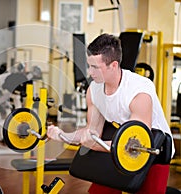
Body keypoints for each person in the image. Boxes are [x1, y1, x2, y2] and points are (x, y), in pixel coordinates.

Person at [47, 33, 175, 194]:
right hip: (119, 146)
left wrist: (92, 143)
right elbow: (92, 131)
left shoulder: (139, 91)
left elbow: (135, 145)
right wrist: (62, 135)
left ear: (113, 65)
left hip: (153, 149)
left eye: (95, 67)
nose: (90, 72)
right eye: (89, 66)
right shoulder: (94, 90)